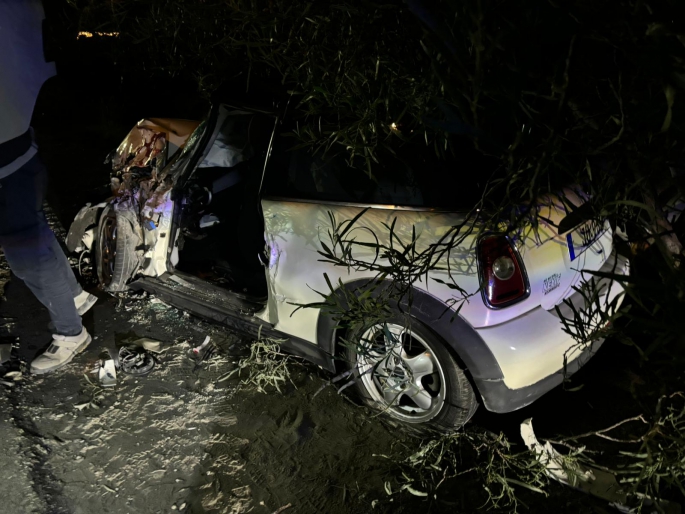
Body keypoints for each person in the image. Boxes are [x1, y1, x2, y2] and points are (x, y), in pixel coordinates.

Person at [0, 0, 97, 374]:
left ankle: (71, 334)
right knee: (34, 239)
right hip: (20, 152)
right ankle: (74, 296)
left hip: (10, 164)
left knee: (28, 254)